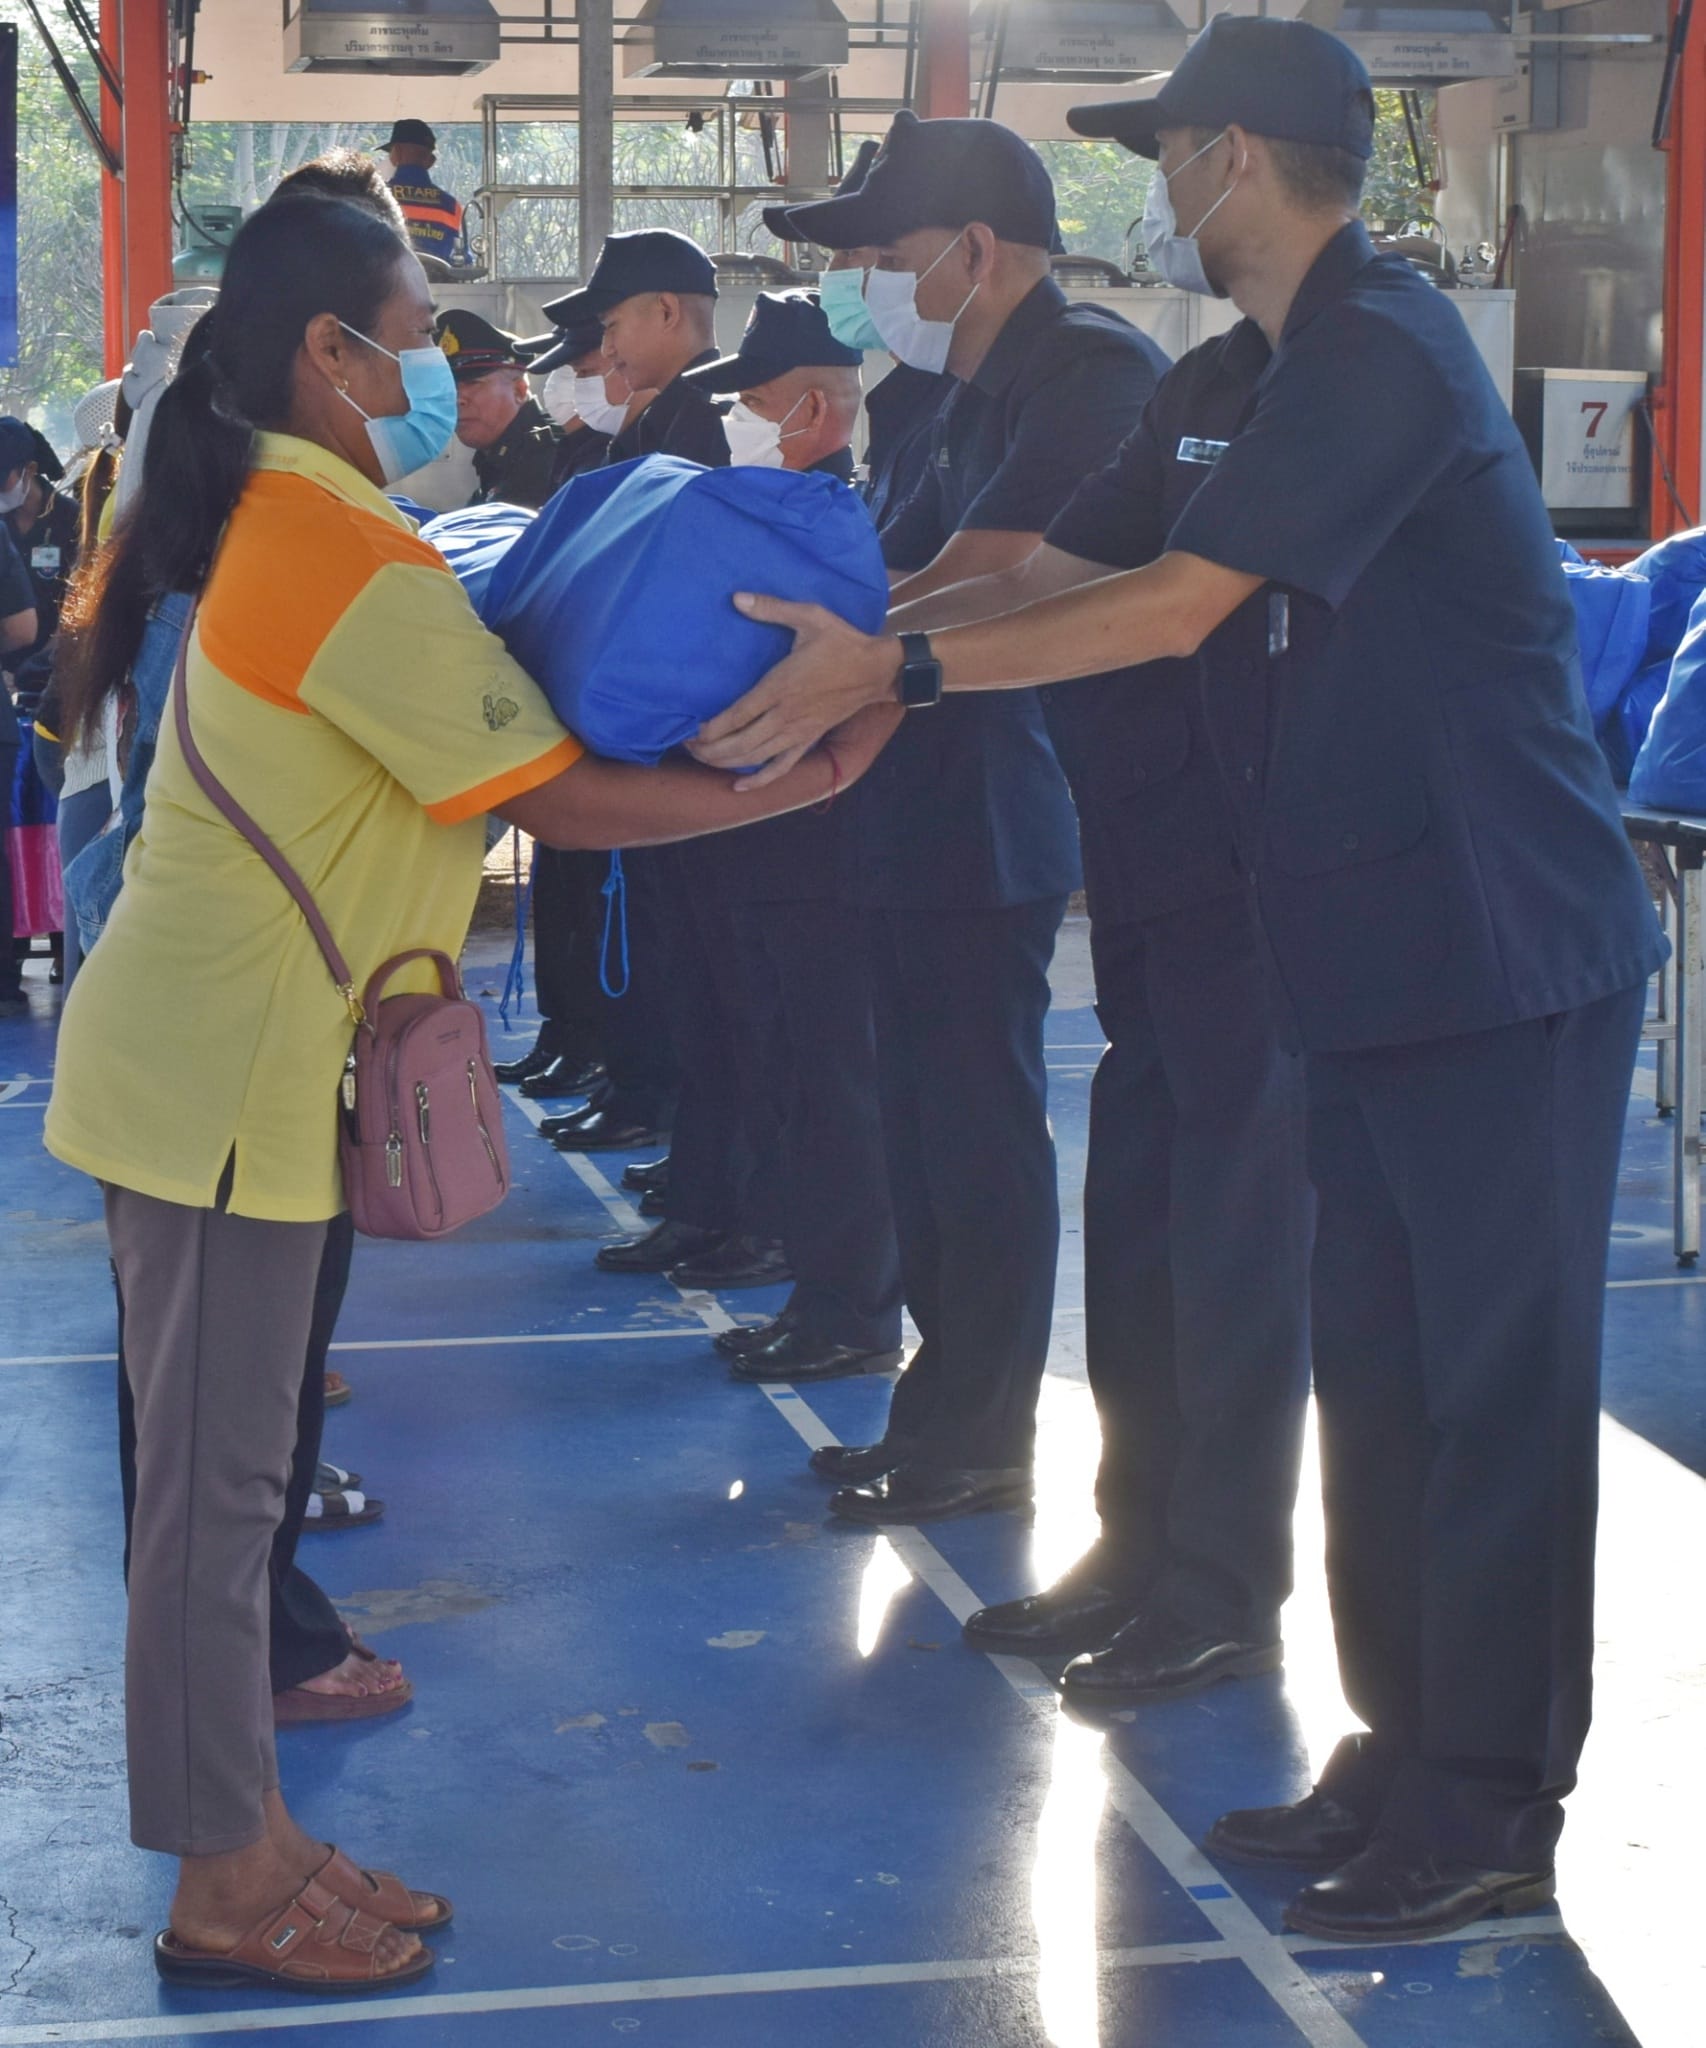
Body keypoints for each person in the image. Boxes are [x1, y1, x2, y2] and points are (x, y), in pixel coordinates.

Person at [693, 14, 1667, 1944]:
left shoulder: (1380, 351)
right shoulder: (1228, 377)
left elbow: (1175, 606)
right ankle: (1400, 1746)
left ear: (1239, 157)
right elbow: (1055, 569)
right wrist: (841, 635)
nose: (1154, 187)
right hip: (1358, 944)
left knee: (1490, 1387)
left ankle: (1492, 1793)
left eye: (1170, 152)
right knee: (1375, 1380)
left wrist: (894, 671)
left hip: (1499, 943)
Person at [41, 189, 896, 1996]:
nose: (438, 359)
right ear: (328, 355)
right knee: (213, 1509)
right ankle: (220, 1883)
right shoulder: (331, 547)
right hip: (217, 1075)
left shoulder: (317, 519)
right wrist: (806, 778)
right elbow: (549, 789)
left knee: (236, 1487)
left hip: (239, 1061)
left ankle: (257, 1836)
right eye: (417, 326)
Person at [736, 112, 1161, 1525]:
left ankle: (983, 1433)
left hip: (990, 812)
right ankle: (936, 1413)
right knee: (918, 1136)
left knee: (975, 1137)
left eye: (881, 254)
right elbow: (892, 571)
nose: (864, 284)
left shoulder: (1085, 370)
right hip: (906, 804)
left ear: (974, 250)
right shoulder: (947, 397)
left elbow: (999, 573)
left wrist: (821, 647)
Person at [660, 291, 905, 1378]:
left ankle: (852, 1306)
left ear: (812, 409)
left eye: (750, 403)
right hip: (764, 826)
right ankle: (814, 1280)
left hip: (825, 835)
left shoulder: (833, 522)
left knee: (834, 1075)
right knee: (787, 1059)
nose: (734, 424)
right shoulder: (776, 511)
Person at [540, 230, 730, 1159]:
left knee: (695, 956)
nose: (605, 347)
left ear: (666, 311)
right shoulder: (659, 423)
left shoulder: (711, 420)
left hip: (686, 728)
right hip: (643, 722)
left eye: (614, 324)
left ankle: (687, 1129)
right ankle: (666, 1120)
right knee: (650, 936)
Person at [434, 309, 561, 509]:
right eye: (450, 387)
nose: (458, 399)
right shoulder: (501, 457)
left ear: (519, 390)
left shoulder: (552, 460)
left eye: (473, 383)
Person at [379, 119, 471, 269]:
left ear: (397, 153)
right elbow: (462, 259)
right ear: (430, 161)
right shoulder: (451, 207)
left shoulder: (378, 197)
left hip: (390, 282)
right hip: (438, 283)